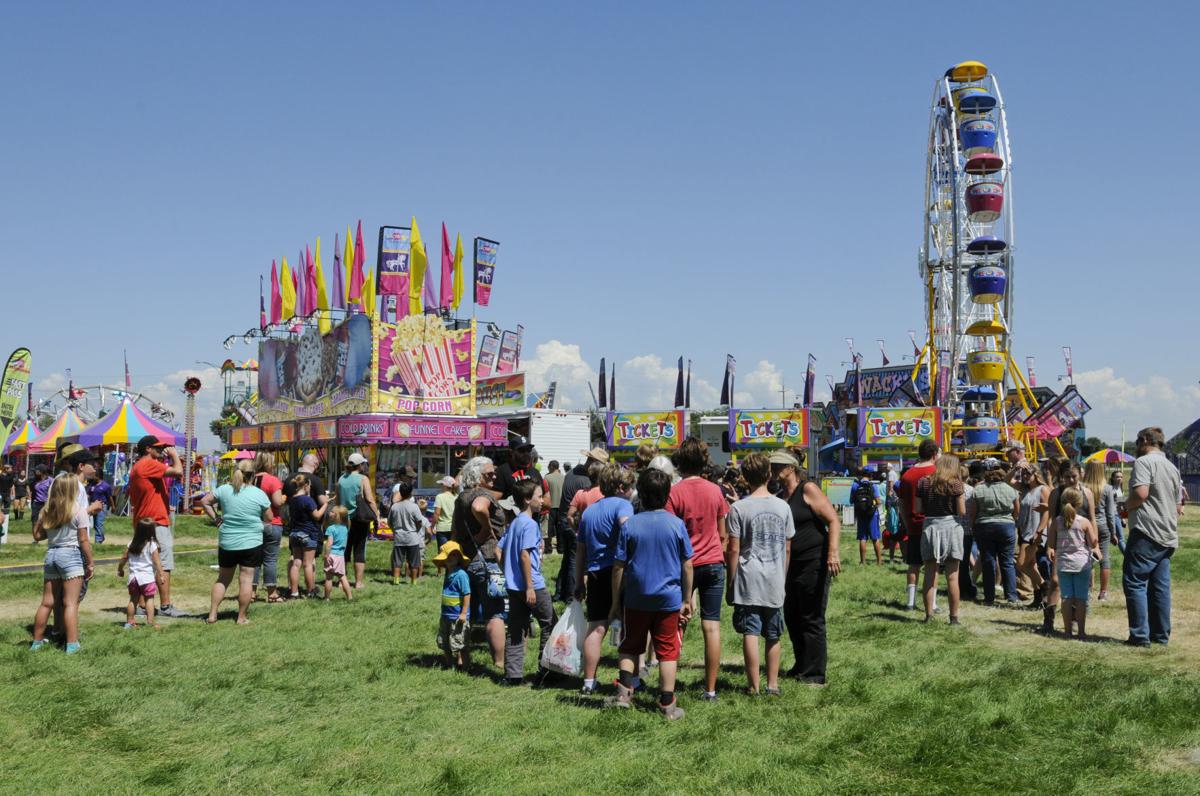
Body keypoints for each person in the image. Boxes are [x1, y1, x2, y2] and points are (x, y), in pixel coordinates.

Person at [606, 467, 693, 719]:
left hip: (636, 598)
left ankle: (623, 694)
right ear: (667, 494)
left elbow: (619, 566)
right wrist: (687, 599)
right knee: (667, 650)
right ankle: (667, 703)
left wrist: (615, 600)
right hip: (668, 599)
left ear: (640, 493)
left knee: (630, 645)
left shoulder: (631, 524)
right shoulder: (676, 525)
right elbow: (687, 564)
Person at [725, 452, 794, 696]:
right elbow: (787, 546)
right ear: (768, 474)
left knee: (751, 632)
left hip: (748, 577)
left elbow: (733, 549)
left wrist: (731, 581)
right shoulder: (783, 506)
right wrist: (782, 576)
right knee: (773, 634)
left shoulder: (738, 508)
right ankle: (772, 684)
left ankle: (753, 686)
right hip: (775, 577)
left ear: (745, 477)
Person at [665, 437, 729, 702]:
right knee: (711, 627)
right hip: (714, 563)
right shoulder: (716, 491)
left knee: (679, 623)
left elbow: (669, 533)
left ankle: (669, 681)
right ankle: (710, 689)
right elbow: (723, 533)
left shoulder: (674, 492)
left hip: (685, 566)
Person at [772, 450, 840, 684]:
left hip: (814, 561)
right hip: (791, 564)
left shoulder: (808, 489)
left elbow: (833, 519)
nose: (773, 470)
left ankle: (814, 673)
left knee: (811, 617)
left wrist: (833, 553)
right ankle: (801, 663)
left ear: (791, 468)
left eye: (777, 466)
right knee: (792, 615)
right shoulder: (781, 496)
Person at [573, 462, 634, 695]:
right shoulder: (623, 506)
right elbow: (626, 527)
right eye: (629, 486)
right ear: (620, 487)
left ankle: (589, 681)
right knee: (625, 628)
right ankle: (629, 680)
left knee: (596, 628)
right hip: (618, 572)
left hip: (596, 572)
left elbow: (581, 550)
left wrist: (579, 580)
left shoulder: (589, 511)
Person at [1122, 427, 1183, 647]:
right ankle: (1160, 636)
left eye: (1138, 441)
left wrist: (1124, 506)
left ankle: (1139, 636)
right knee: (1160, 588)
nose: (1137, 445)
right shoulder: (1172, 468)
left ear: (1146, 440)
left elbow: (1140, 494)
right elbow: (1177, 505)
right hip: (1167, 534)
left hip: (1146, 532)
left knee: (1135, 582)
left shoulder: (1143, 463)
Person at [451, 456, 507, 668]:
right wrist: (486, 530)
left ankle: (462, 660)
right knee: (495, 613)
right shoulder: (482, 495)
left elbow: (455, 532)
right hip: (488, 562)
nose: (494, 475)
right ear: (476, 475)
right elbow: (479, 507)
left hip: (465, 561)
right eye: (489, 473)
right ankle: (500, 663)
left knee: (466, 613)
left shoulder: (461, 497)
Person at [498, 479, 555, 687]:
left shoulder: (514, 522)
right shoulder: (530, 524)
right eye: (539, 497)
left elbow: (499, 549)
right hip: (533, 586)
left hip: (513, 586)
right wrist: (530, 585)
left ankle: (513, 676)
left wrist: (507, 571)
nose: (542, 501)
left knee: (516, 629)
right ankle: (546, 672)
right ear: (527, 499)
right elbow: (524, 555)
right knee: (549, 623)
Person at [29, 474, 94, 652]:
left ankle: (37, 641)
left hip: (51, 554)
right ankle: (72, 644)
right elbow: (83, 540)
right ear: (73, 489)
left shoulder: (47, 510)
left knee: (47, 602)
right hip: (71, 555)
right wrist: (90, 562)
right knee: (70, 603)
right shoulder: (79, 510)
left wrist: (38, 521)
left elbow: (38, 536)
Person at [201, 460, 271, 624]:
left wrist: (217, 519)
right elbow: (269, 517)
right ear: (253, 475)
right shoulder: (258, 493)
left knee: (223, 578)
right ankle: (241, 618)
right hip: (251, 542)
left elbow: (205, 501)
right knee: (246, 580)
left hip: (228, 541)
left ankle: (212, 615)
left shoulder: (224, 489)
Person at [128, 435, 184, 616]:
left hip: (144, 520)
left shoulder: (139, 466)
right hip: (156, 521)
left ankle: (142, 605)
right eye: (157, 448)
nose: (161, 451)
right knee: (164, 563)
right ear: (147, 449)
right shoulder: (148, 464)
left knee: (146, 563)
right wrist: (175, 455)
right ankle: (166, 605)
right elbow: (178, 471)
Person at [1037, 460, 1095, 633]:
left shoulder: (1087, 493)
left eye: (1074, 476)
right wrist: (1050, 545)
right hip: (1061, 543)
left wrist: (1095, 545)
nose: (1071, 480)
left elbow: (1092, 518)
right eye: (1067, 477)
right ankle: (1049, 620)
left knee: (1082, 584)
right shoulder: (1057, 493)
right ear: (1061, 477)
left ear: (1080, 474)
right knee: (1054, 581)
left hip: (1082, 543)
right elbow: (1052, 518)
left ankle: (1075, 619)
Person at [915, 453, 966, 625]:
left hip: (930, 526)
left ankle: (929, 615)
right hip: (951, 527)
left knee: (929, 574)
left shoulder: (923, 482)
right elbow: (962, 511)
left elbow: (918, 508)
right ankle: (953, 618)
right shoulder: (955, 483)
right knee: (953, 576)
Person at [1047, 487, 1101, 639]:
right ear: (1079, 503)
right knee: (1081, 598)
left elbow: (1051, 543)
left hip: (1063, 564)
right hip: (1082, 564)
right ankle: (1082, 631)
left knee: (1066, 598)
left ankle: (1067, 631)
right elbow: (1093, 542)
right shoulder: (1084, 522)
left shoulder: (1057, 522)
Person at [968, 459, 1022, 605]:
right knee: (1007, 562)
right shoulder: (1011, 489)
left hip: (984, 527)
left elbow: (973, 512)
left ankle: (989, 597)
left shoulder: (978, 489)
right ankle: (1011, 596)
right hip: (1006, 527)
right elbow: (1017, 511)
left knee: (988, 562)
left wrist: (972, 526)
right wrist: (1012, 521)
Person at [557, 448, 607, 601]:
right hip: (576, 525)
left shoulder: (573, 472)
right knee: (575, 562)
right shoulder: (587, 481)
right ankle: (572, 596)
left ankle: (560, 592)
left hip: (564, 521)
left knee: (568, 559)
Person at [898, 440, 940, 611]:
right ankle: (933, 603)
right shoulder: (937, 472)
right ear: (934, 454)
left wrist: (907, 522)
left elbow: (901, 502)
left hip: (914, 524)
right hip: (934, 523)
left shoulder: (907, 475)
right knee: (933, 565)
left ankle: (910, 602)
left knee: (913, 564)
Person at [334, 452, 379, 590]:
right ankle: (358, 582)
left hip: (343, 519)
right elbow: (369, 499)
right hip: (360, 518)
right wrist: (376, 515)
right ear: (360, 465)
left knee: (344, 549)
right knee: (359, 549)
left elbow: (337, 500)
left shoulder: (341, 479)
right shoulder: (363, 479)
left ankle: (342, 581)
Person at [248, 452, 286, 603]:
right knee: (270, 559)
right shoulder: (273, 480)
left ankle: (251, 592)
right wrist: (284, 497)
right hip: (272, 523)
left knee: (254, 560)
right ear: (269, 464)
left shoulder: (251, 479)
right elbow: (277, 502)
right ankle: (272, 593)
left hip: (253, 524)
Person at [285, 473, 328, 599]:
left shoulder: (292, 500)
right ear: (306, 485)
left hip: (294, 534)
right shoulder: (308, 500)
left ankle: (294, 592)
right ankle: (311, 591)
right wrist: (326, 504)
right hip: (308, 534)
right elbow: (317, 515)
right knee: (308, 564)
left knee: (296, 563)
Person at [117, 518, 164, 629]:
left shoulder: (131, 544)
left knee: (133, 600)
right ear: (151, 531)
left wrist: (120, 569)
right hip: (147, 578)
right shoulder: (152, 545)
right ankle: (150, 622)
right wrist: (161, 574)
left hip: (133, 578)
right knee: (149, 599)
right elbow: (157, 561)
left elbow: (124, 558)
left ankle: (129, 622)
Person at [1082, 461, 1119, 601]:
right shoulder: (1108, 488)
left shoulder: (1082, 487)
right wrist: (1113, 532)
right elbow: (1110, 513)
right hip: (1103, 526)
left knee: (1086, 558)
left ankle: (1086, 590)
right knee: (1104, 558)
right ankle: (1103, 592)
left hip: (1086, 526)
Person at [433, 541, 472, 670]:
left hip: (458, 616)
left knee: (460, 642)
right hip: (446, 615)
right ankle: (449, 665)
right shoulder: (448, 573)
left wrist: (463, 613)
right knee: (444, 641)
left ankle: (464, 667)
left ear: (459, 558)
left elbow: (467, 594)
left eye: (455, 555)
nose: (451, 558)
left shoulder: (461, 575)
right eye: (449, 555)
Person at [389, 480, 430, 585]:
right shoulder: (414, 506)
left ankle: (396, 580)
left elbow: (390, 522)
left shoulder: (394, 507)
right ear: (411, 493)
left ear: (400, 493)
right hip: (412, 537)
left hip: (399, 537)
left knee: (397, 561)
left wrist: (395, 531)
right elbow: (420, 521)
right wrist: (415, 529)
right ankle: (414, 581)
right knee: (414, 561)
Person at [322, 506, 354, 601]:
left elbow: (329, 544)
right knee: (343, 577)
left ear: (337, 516)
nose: (329, 513)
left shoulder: (331, 528)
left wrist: (326, 555)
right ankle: (350, 597)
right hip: (340, 556)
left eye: (332, 512)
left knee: (328, 578)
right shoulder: (345, 528)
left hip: (331, 555)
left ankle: (327, 598)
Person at [851, 471, 882, 565]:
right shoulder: (873, 486)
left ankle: (863, 561)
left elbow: (851, 500)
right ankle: (879, 561)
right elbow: (878, 501)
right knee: (875, 538)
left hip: (861, 514)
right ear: (870, 476)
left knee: (862, 538)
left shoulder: (855, 486)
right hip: (872, 514)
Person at [85, 468, 114, 545]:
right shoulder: (91, 485)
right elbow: (88, 495)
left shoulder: (106, 486)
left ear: (98, 476)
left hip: (101, 507)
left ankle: (98, 542)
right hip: (92, 507)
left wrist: (113, 507)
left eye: (93, 475)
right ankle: (101, 537)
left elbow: (110, 497)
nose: (91, 477)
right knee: (94, 525)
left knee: (99, 523)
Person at [432, 475, 457, 550]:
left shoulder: (440, 497)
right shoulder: (457, 496)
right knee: (452, 551)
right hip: (454, 527)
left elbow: (437, 513)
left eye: (442, 484)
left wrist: (433, 525)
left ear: (445, 486)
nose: (441, 486)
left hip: (442, 528)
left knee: (443, 552)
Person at [1110, 470, 1127, 553]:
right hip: (1114, 515)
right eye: (1117, 477)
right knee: (1121, 539)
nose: (1119, 478)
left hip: (1119, 515)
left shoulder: (1120, 489)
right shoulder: (1110, 489)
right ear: (1112, 478)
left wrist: (1123, 518)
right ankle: (1128, 557)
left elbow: (1122, 505)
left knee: (1120, 538)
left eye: (1121, 477)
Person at [29, 466, 52, 531]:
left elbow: (54, 490)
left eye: (36, 471)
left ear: (41, 472)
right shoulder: (34, 480)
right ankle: (35, 536)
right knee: (34, 519)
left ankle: (45, 534)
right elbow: (31, 490)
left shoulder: (50, 480)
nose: (34, 472)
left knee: (45, 520)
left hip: (46, 503)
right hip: (36, 503)